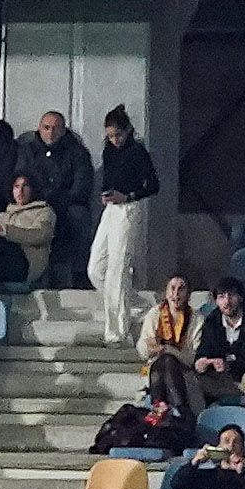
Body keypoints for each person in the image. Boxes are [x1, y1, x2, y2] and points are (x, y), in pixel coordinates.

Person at [88, 104, 157, 347]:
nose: (114, 140)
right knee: (96, 268)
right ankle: (138, 306)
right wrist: (106, 194)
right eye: (110, 135)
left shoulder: (137, 151)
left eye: (118, 135)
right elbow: (108, 176)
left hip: (128, 208)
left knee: (118, 268)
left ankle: (116, 332)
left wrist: (127, 195)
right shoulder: (109, 150)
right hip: (111, 208)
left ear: (127, 131)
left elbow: (153, 185)